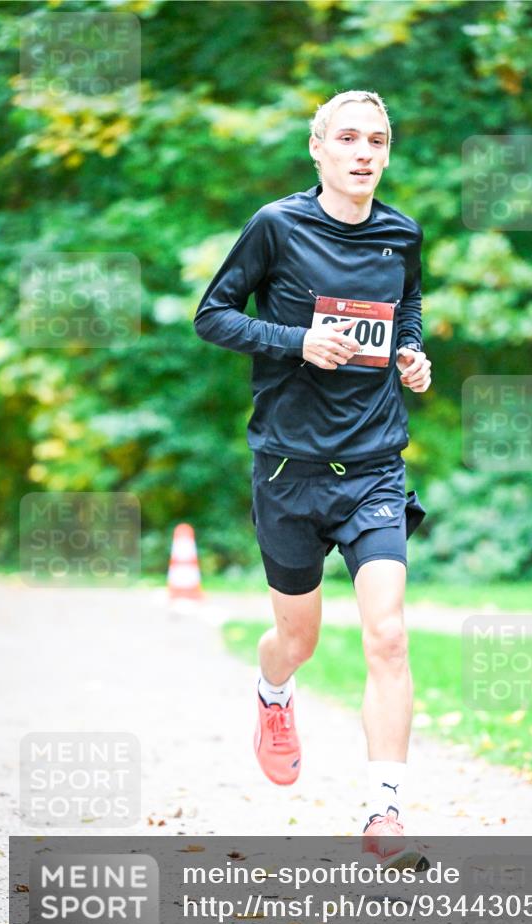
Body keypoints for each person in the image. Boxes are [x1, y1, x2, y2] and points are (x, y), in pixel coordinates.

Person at [194, 90, 431, 855]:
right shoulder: (276, 225)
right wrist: (296, 341)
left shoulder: (401, 234)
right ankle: (272, 692)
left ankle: (384, 808)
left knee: (387, 636)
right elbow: (213, 315)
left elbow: (408, 309)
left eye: (379, 140)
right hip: (289, 468)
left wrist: (412, 355)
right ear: (318, 149)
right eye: (350, 139)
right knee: (296, 639)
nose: (365, 153)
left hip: (372, 467)